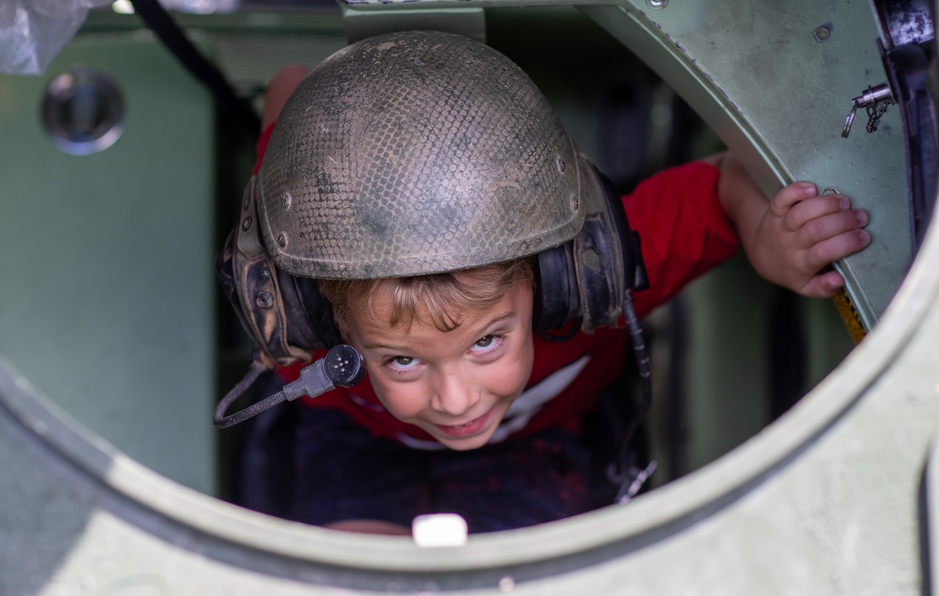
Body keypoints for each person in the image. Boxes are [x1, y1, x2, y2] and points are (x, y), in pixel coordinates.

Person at [220, 31, 871, 536]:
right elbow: (292, 85)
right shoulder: (300, 297)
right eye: (402, 358)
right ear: (306, 310)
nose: (454, 399)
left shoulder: (605, 273)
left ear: (559, 280)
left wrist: (768, 237)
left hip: (540, 440)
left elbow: (727, 185)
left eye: (486, 343)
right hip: (357, 439)